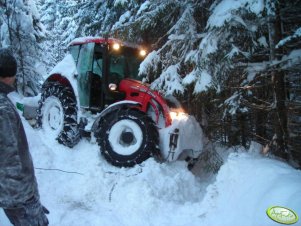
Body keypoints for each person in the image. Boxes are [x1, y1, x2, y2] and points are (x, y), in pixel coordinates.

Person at [0, 48, 49, 226]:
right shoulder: (2, 109)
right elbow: (7, 159)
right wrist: (26, 200)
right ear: (9, 75)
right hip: (18, 196)